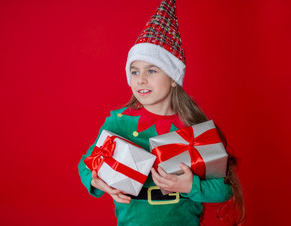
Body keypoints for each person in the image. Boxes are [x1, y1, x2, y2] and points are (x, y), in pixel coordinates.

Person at [78, 0, 245, 225]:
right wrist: (97, 180)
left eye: (152, 70)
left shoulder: (194, 128)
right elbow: (86, 164)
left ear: (173, 78)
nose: (141, 79)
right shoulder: (119, 123)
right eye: (134, 71)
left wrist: (190, 186)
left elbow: (224, 189)